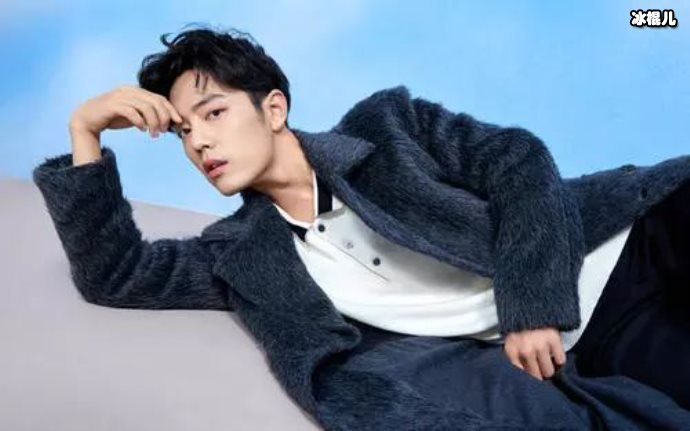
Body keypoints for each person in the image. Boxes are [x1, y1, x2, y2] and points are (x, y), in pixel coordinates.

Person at [33, 24, 690, 428]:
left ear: (274, 109)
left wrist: (531, 306)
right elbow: (114, 273)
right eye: (182, 132)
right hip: (594, 341)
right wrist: (85, 130)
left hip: (622, 242)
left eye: (213, 113)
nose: (199, 141)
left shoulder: (388, 128)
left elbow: (518, 159)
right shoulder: (239, 254)